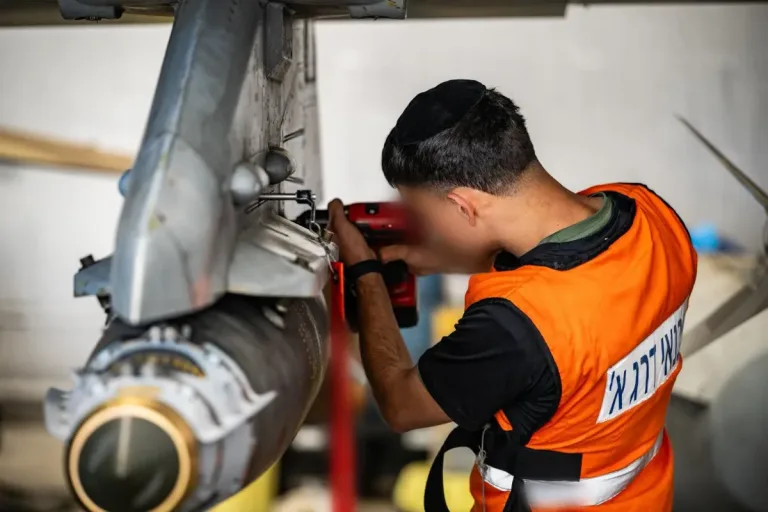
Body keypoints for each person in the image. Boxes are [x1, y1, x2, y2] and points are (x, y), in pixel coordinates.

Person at [327, 79, 696, 512]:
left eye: (427, 218)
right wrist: (446, 258)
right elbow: (576, 279)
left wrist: (365, 273)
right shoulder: (653, 215)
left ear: (463, 205)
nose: (429, 231)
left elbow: (401, 405)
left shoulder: (515, 326)